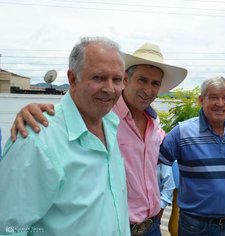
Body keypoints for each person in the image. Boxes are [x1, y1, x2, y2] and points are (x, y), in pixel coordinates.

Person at [10, 42, 188, 236]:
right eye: (142, 80)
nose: (148, 89)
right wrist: (32, 110)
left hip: (151, 226)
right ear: (127, 80)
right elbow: (12, 225)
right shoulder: (103, 113)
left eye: (155, 83)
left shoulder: (153, 124)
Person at [0, 37, 130, 235]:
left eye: (117, 79)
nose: (110, 88)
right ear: (72, 79)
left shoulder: (111, 125)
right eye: (98, 78)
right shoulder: (37, 140)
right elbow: (9, 227)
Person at [159, 76, 225, 236]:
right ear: (201, 100)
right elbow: (156, 166)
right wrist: (159, 202)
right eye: (213, 97)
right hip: (196, 227)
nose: (220, 103)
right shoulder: (182, 132)